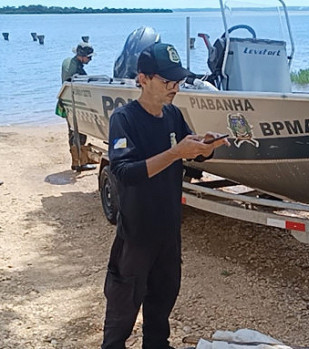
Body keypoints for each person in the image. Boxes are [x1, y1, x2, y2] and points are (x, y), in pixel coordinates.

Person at [101, 42, 229, 349]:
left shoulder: (173, 114)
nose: (175, 87)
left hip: (169, 231)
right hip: (137, 233)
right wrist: (175, 153)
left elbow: (190, 153)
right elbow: (124, 172)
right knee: (123, 307)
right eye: (167, 81)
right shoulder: (125, 119)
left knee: (162, 302)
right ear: (143, 79)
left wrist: (205, 148)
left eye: (178, 81)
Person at [61, 40, 97, 171]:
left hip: (68, 102)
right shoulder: (77, 71)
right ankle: (79, 163)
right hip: (75, 104)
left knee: (72, 131)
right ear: (81, 56)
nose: (90, 59)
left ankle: (76, 162)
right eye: (89, 57)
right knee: (79, 132)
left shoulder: (68, 62)